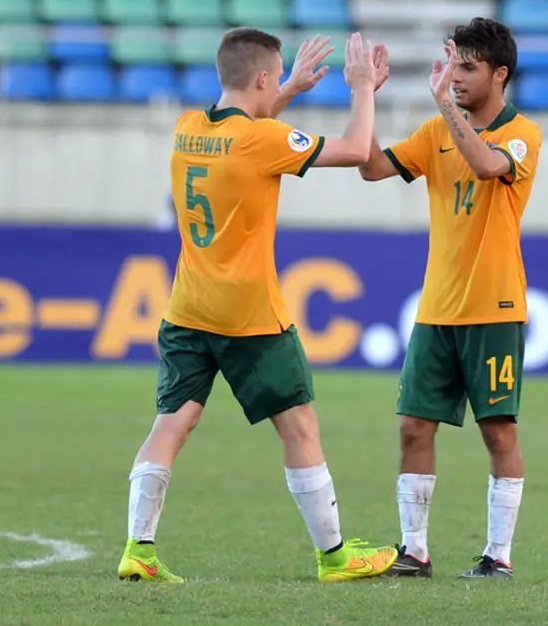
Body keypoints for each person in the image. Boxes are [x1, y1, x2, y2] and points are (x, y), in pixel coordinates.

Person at [117, 29, 396, 584]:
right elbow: (357, 149)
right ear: (262, 78)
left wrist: (286, 88)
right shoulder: (261, 141)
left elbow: (245, 129)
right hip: (249, 316)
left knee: (172, 423)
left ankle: (138, 550)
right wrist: (363, 88)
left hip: (187, 309)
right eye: (276, 78)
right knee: (299, 428)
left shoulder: (188, 129)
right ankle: (335, 555)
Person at [357, 17, 542, 579]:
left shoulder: (521, 133)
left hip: (495, 306)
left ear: (499, 74)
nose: (455, 76)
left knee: (497, 431)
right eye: (453, 63)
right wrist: (364, 94)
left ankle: (498, 557)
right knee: (414, 426)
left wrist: (447, 110)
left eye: (468, 66)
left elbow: (488, 166)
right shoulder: (438, 130)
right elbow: (370, 167)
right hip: (437, 307)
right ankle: (414, 550)